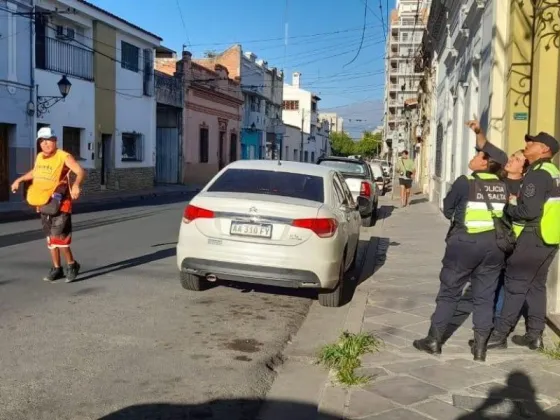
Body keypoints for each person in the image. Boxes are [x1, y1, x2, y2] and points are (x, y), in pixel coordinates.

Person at [412, 146, 508, 362]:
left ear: (485, 162)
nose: (472, 158)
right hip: (494, 246)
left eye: (477, 155)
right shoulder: (501, 185)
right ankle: (480, 348)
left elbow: (447, 210)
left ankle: (434, 340)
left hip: (465, 243)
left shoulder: (465, 181)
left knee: (449, 292)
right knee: (484, 297)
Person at [487, 132, 560, 351]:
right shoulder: (553, 171)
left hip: (532, 237)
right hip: (549, 237)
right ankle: (534, 335)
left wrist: (508, 206)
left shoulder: (538, 174)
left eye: (533, 143)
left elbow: (528, 211)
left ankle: (499, 336)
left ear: (545, 150)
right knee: (536, 286)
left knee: (515, 286)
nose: (527, 145)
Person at [465, 120, 529, 319]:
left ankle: (496, 320)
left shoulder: (525, 187)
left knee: (502, 281)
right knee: (489, 279)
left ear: (524, 169)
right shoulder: (500, 174)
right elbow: (485, 145)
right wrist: (478, 131)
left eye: (517, 159)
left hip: (511, 240)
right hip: (491, 238)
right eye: (512, 156)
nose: (510, 160)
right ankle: (487, 316)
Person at [11, 127, 85, 283]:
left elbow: (79, 171)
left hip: (61, 203)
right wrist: (20, 180)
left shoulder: (63, 156)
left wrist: (77, 185)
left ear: (55, 140)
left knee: (60, 237)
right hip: (44, 202)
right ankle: (57, 268)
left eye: (49, 140)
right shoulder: (39, 157)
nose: (45, 144)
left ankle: (72, 265)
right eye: (42, 141)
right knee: (50, 238)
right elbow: (35, 172)